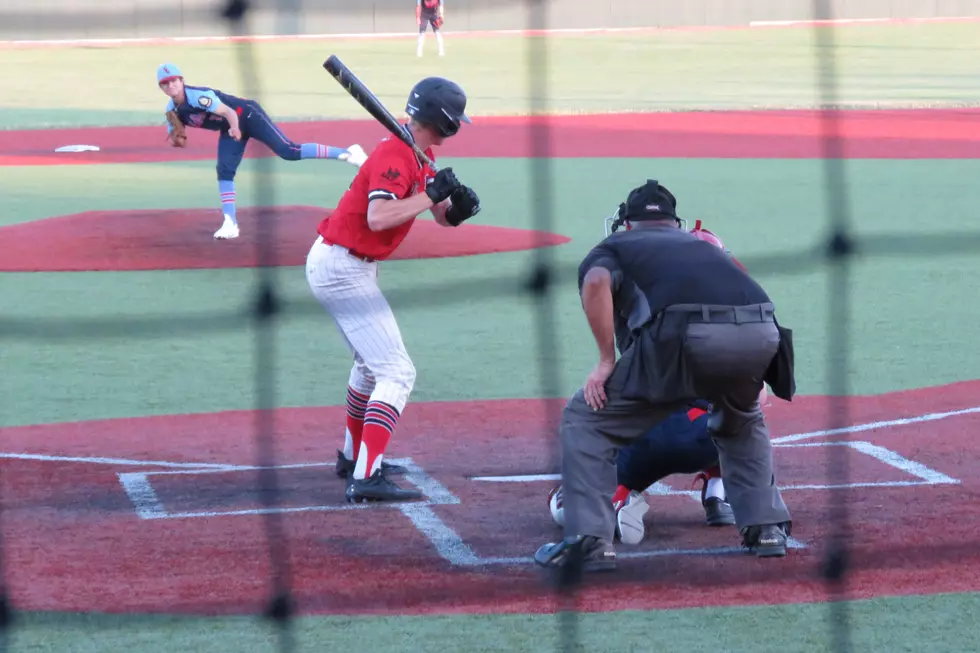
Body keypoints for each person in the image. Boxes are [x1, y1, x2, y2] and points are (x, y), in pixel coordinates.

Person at [534, 179, 794, 572]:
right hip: (762, 332)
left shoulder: (615, 246)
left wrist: (606, 360)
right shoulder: (703, 245)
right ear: (676, 223)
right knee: (742, 421)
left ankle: (589, 540)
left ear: (626, 223)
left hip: (685, 336)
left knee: (585, 419)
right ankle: (767, 529)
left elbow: (596, 282)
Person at [306, 77, 481, 503]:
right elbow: (379, 218)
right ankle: (365, 478)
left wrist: (456, 210)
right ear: (444, 121)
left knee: (371, 366)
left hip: (351, 267)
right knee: (397, 372)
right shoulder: (394, 154)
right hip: (342, 267)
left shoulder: (420, 155)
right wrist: (430, 197)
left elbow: (438, 214)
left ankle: (353, 459)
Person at [156, 63, 367, 240]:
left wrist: (236, 128)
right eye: (165, 83)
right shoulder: (172, 111)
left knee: (288, 150)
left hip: (246, 115)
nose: (171, 85)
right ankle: (230, 222)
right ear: (161, 87)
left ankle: (347, 153)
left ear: (182, 81)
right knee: (224, 170)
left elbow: (228, 111)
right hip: (230, 129)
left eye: (174, 80)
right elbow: (179, 141)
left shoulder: (198, 97)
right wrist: (177, 136)